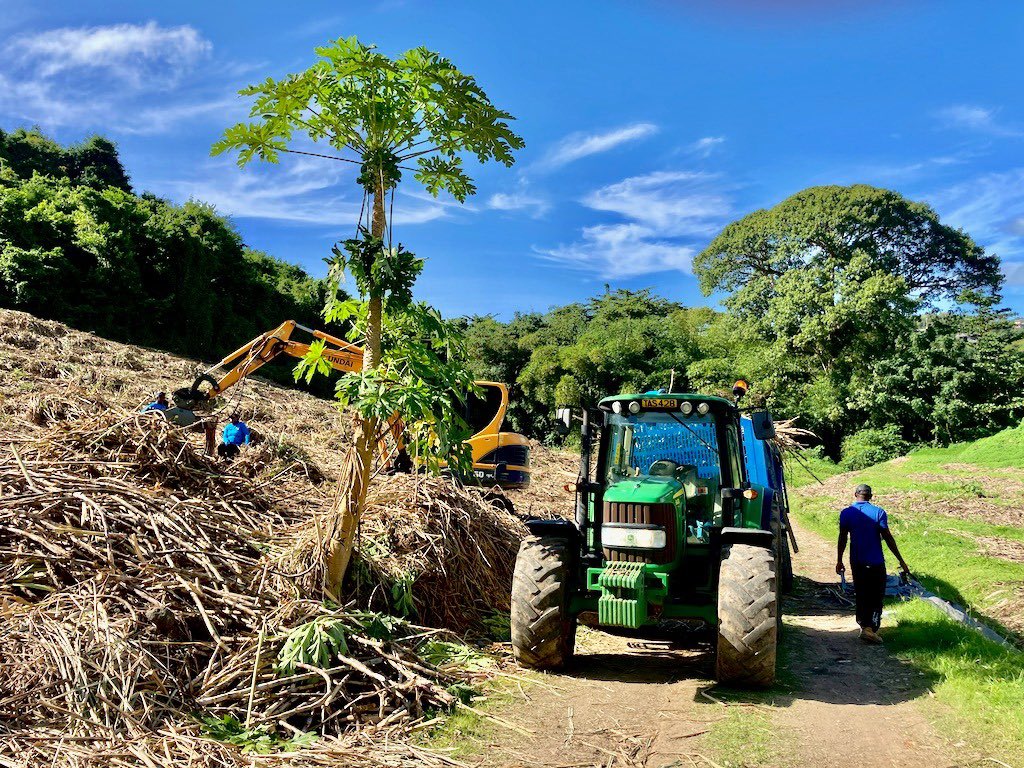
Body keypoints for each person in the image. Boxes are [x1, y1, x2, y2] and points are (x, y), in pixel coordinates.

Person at [836, 484, 911, 644]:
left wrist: (839, 560)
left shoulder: (846, 513)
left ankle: (865, 626)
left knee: (862, 593)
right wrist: (901, 560)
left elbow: (842, 538)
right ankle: (870, 628)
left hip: (857, 561)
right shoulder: (878, 512)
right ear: (870, 496)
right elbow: (888, 538)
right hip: (876, 561)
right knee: (876, 595)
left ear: (855, 494)